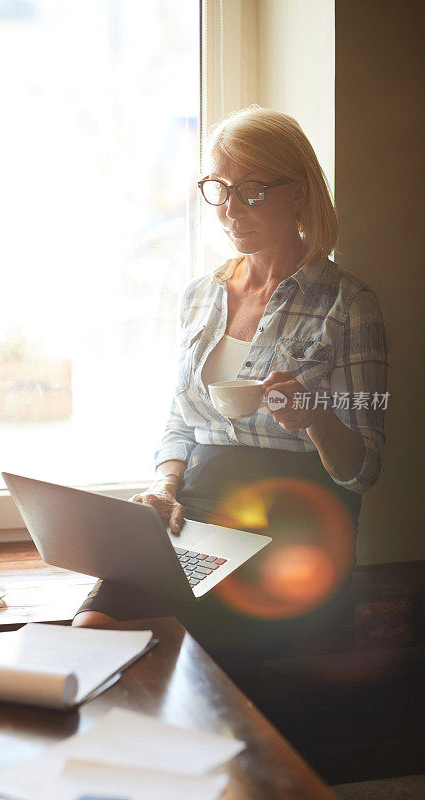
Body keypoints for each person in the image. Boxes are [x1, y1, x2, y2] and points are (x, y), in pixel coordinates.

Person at [72, 106, 388, 676]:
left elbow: (364, 470)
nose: (230, 210)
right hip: (196, 517)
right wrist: (164, 487)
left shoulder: (348, 304)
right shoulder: (200, 295)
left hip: (295, 530)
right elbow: (179, 419)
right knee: (92, 629)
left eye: (252, 190)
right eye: (219, 188)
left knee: (156, 652)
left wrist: (315, 416)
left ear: (299, 194)